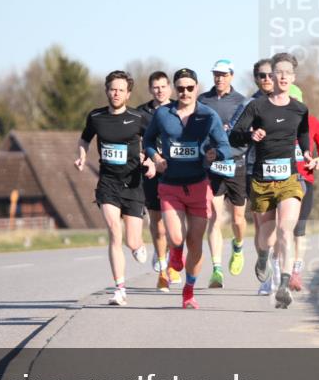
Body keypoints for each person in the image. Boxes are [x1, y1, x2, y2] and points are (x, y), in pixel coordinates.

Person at [230, 52, 315, 309]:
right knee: (265, 237)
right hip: (262, 180)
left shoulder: (300, 109)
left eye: (288, 73)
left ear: (293, 77)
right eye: (278, 72)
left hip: (289, 178)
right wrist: (250, 135)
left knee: (285, 231)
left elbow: (302, 134)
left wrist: (308, 153)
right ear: (272, 76)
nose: (283, 77)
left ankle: (284, 286)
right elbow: (235, 136)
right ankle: (264, 257)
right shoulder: (257, 107)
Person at [143, 68, 232, 309]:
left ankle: (189, 290)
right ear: (175, 89)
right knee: (175, 237)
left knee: (196, 243)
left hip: (198, 186)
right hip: (170, 186)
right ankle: (174, 253)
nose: (185, 92)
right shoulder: (163, 114)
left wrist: (216, 153)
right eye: (180, 88)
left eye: (189, 88)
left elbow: (225, 146)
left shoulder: (208, 115)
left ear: (196, 88)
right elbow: (148, 141)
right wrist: (156, 157)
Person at [75, 70, 153, 306]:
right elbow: (84, 139)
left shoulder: (138, 118)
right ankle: (120, 289)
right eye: (112, 89)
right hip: (108, 183)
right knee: (114, 233)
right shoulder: (96, 116)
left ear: (128, 94)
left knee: (131, 240)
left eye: (120, 90)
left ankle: (138, 246)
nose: (116, 93)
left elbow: (153, 141)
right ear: (106, 91)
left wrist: (150, 160)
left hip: (134, 183)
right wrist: (81, 156)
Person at [198, 59, 249, 288]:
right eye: (216, 74)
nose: (219, 78)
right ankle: (217, 269)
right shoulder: (203, 101)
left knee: (238, 219)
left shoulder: (242, 102)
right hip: (212, 166)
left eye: (223, 74)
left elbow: (247, 135)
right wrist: (205, 151)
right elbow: (195, 132)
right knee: (215, 217)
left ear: (231, 76)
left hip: (236, 165)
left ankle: (238, 246)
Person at [135, 71, 181, 291]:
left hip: (176, 171)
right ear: (150, 89)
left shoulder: (179, 108)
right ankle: (163, 268)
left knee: (174, 223)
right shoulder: (141, 113)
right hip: (152, 171)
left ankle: (172, 261)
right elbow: (136, 142)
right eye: (156, 87)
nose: (160, 90)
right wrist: (147, 159)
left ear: (169, 88)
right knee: (158, 223)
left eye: (163, 86)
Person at [287, 87, 319, 292]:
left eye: (295, 101)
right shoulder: (274, 121)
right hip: (279, 181)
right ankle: (279, 271)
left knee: (299, 229)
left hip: (305, 179)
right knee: (282, 228)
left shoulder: (311, 122)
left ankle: (296, 271)